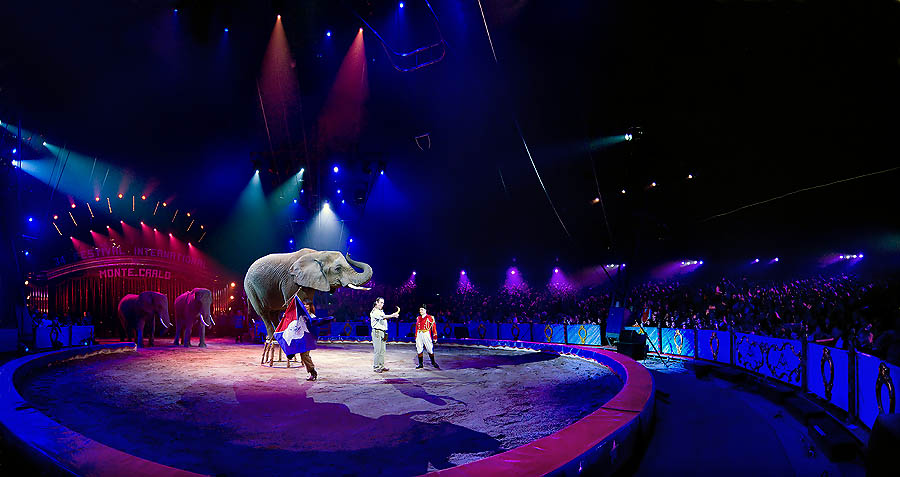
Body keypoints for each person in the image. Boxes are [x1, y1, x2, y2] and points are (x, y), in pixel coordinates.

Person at [370, 297, 399, 373]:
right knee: (377, 350)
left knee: (383, 350)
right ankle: (376, 367)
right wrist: (392, 315)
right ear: (376, 302)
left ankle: (381, 366)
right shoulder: (375, 311)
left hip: (382, 332)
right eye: (381, 302)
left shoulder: (380, 311)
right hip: (377, 332)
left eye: (383, 303)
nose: (382, 304)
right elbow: (383, 317)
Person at [415, 305, 439, 369]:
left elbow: (433, 328)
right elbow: (416, 328)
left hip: (426, 333)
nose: (420, 311)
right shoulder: (418, 318)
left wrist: (435, 337)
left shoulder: (430, 317)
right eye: (420, 310)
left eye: (422, 310)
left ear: (425, 310)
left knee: (429, 348)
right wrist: (416, 336)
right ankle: (420, 364)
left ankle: (433, 362)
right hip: (419, 334)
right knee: (419, 348)